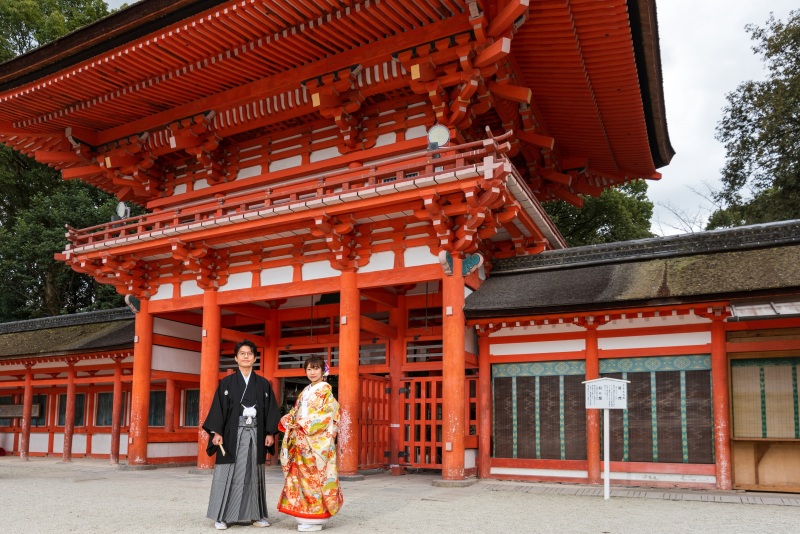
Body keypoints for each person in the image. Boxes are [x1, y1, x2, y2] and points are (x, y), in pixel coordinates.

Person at [203, 340, 280, 530]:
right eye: (242, 353)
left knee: (253, 473)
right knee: (228, 472)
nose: (246, 356)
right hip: (231, 434)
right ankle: (222, 516)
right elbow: (218, 409)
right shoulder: (227, 383)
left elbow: (271, 410)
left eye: (249, 353)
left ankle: (256, 514)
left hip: (256, 433)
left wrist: (270, 432)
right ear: (236, 358)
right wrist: (216, 432)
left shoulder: (263, 384)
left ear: (255, 358)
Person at [277, 356, 343, 532]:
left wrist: (303, 424)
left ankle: (316, 514)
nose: (312, 372)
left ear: (323, 371)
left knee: (314, 479)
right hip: (301, 441)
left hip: (316, 442)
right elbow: (295, 410)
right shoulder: (304, 392)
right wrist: (288, 418)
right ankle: (303, 512)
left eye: (316, 369)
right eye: (309, 369)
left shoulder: (326, 392)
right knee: (300, 478)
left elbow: (327, 414)